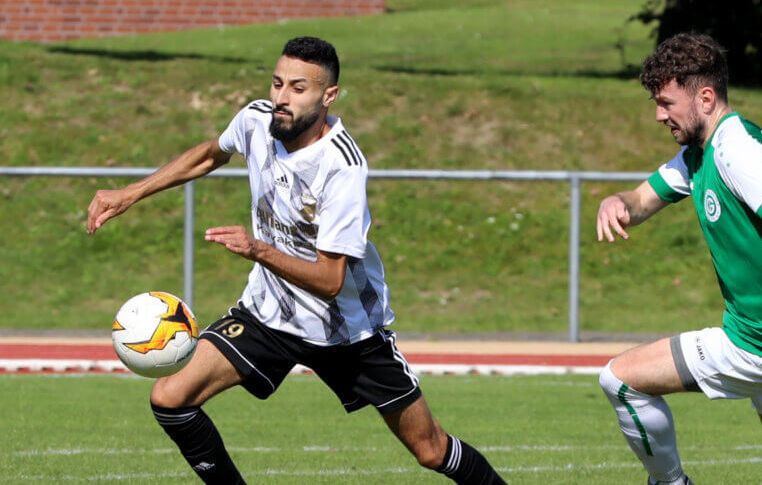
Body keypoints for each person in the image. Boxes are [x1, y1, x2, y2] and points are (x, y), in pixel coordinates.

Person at [86, 37, 506, 485]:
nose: (282, 98)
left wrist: (258, 249)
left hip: (347, 331)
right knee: (171, 398)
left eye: (298, 88)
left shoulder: (341, 167)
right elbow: (212, 153)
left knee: (430, 449)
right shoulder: (256, 120)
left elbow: (330, 279)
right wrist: (128, 193)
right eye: (277, 83)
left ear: (328, 96)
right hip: (269, 315)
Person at [595, 32, 762, 484]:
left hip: (760, 342)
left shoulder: (736, 150)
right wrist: (615, 201)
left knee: (619, 380)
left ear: (704, 96)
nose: (659, 115)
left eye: (666, 103)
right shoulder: (700, 154)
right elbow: (640, 201)